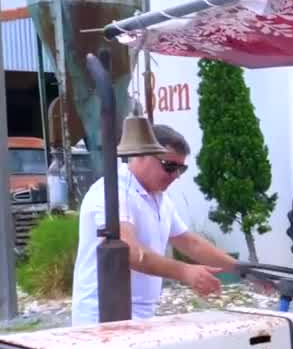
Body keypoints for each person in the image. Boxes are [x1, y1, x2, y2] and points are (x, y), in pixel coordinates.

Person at [70, 124, 236, 326]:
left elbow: (190, 243)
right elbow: (128, 251)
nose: (175, 175)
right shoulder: (112, 192)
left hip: (141, 316)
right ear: (142, 155)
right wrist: (185, 272)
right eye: (169, 166)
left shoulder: (160, 198)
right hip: (102, 317)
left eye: (181, 169)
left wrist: (243, 270)